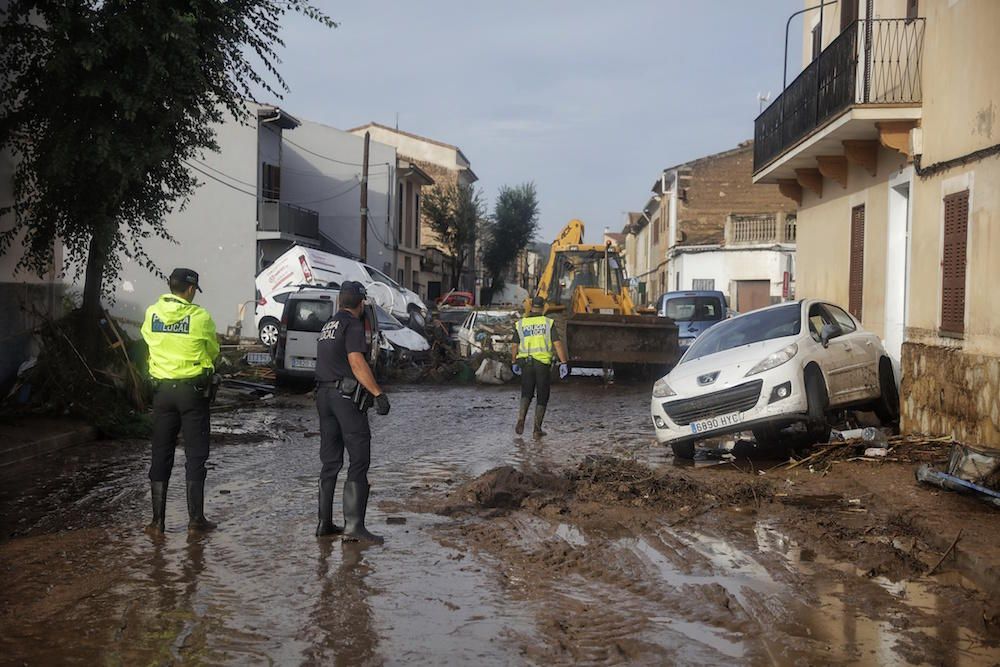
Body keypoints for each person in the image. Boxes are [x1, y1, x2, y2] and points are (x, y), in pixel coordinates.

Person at [140, 268, 220, 535]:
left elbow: (148, 341)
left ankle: (157, 522)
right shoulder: (200, 317)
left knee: (161, 453)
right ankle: (196, 521)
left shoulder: (152, 313)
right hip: (192, 393)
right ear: (189, 290)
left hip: (162, 393)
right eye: (194, 290)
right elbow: (212, 350)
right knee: (196, 455)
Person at [314, 281, 391, 543]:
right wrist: (378, 394)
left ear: (339, 301)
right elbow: (356, 362)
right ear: (360, 304)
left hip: (323, 396)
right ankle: (354, 527)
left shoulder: (328, 325)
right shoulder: (352, 324)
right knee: (359, 458)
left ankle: (324, 523)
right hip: (344, 398)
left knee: (330, 462)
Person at [511, 296, 569, 438]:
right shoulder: (547, 323)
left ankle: (521, 418)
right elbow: (557, 344)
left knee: (526, 393)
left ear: (531, 307)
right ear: (544, 307)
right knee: (542, 396)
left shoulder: (521, 323)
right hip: (542, 364)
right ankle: (537, 429)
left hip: (525, 363)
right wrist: (564, 362)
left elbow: (514, 345)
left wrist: (514, 361)